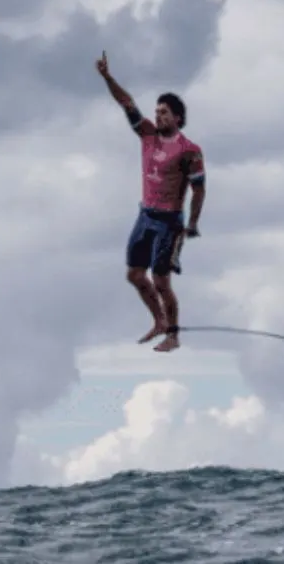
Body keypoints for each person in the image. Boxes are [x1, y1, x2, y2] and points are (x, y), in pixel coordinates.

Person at [96, 51, 205, 353]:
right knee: (134, 275)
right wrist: (108, 77)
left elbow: (199, 189)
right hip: (145, 216)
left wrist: (193, 224)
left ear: (178, 118)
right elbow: (126, 103)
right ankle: (158, 321)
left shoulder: (189, 150)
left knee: (161, 281)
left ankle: (173, 333)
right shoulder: (147, 135)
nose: (158, 117)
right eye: (157, 112)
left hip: (169, 223)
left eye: (165, 113)